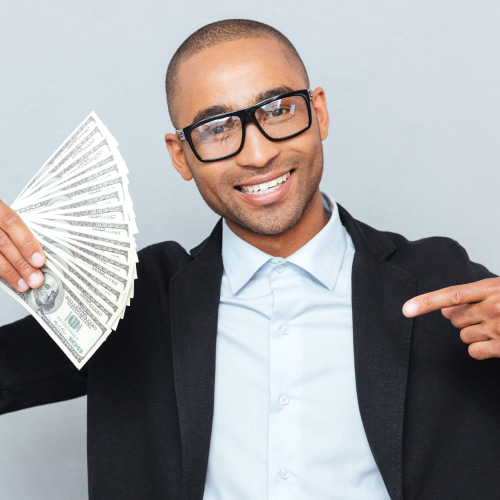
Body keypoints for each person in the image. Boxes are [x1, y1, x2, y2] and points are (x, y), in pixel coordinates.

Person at [0, 19, 499, 500]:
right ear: (181, 155)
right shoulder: (129, 303)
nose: (257, 154)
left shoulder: (440, 283)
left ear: (319, 113)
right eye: (217, 128)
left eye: (278, 110)